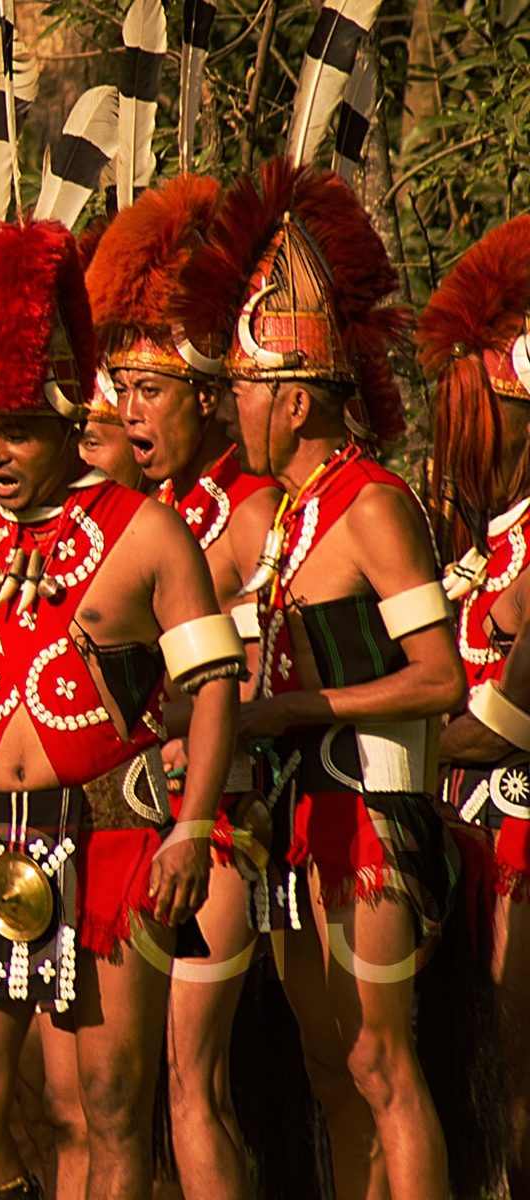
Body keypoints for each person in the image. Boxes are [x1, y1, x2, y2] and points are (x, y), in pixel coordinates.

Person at [0, 218, 237, 1200]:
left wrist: (191, 828)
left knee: (109, 1112)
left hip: (114, 844)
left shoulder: (146, 531)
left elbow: (210, 689)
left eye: (16, 430)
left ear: (68, 421)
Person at [174, 159, 460, 1200]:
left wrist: (291, 707)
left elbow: (439, 679)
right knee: (328, 1070)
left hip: (371, 818)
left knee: (382, 1064)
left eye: (242, 391)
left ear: (293, 402)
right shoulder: (278, 514)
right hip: (293, 820)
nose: (229, 411)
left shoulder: (372, 506)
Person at [88, 173, 279, 1200]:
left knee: (184, 1086)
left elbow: (239, 684)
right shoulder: (128, 519)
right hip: (116, 830)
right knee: (108, 1098)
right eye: (117, 393)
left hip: (222, 824)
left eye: (148, 391)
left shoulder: (248, 511)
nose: (128, 413)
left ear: (207, 396)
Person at [427, 214, 530, 1198]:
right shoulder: (462, 529)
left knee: (516, 1089)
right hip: (452, 825)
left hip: (516, 831)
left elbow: (509, 715)